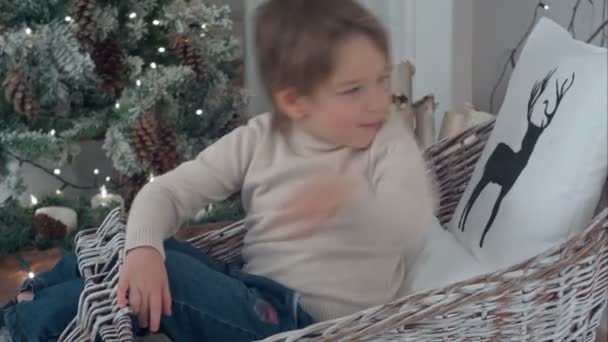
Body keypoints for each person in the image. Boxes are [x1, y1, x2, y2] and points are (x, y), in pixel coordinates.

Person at [1, 0, 436, 341]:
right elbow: (166, 193)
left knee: (165, 279)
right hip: (250, 293)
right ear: (294, 102)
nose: (377, 101)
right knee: (133, 242)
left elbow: (412, 219)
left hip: (301, 324)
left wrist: (350, 202)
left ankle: (22, 327)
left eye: (381, 81)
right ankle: (33, 300)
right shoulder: (261, 138)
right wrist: (144, 250)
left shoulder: (386, 142)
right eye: (353, 89)